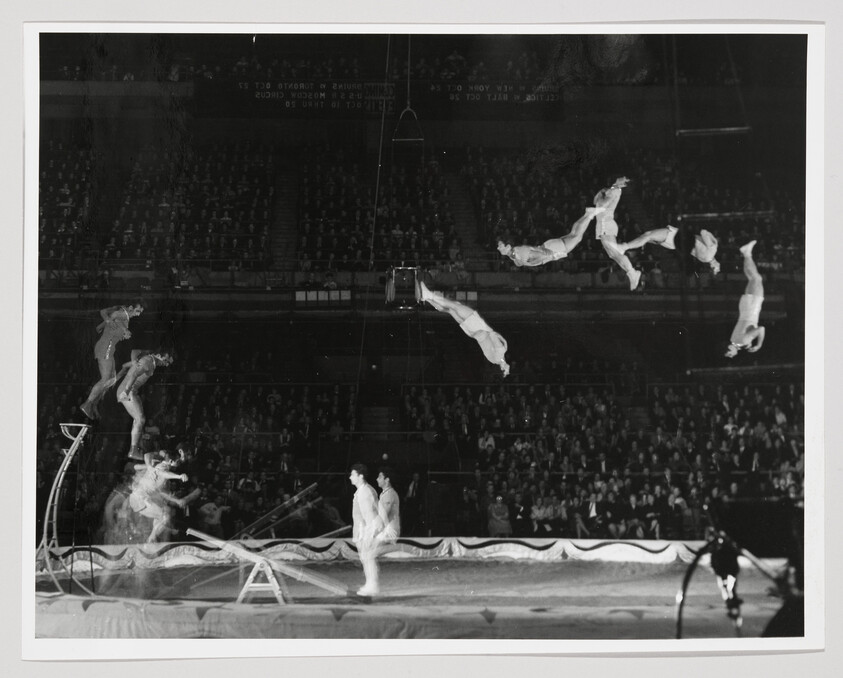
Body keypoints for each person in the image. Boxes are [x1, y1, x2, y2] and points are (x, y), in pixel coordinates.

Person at [417, 280, 511, 377]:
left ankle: (428, 295)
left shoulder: (500, 352)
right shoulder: (494, 359)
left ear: (503, 368)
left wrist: (502, 340)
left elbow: (493, 334)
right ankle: (427, 299)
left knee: (455, 306)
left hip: (477, 326)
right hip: (472, 332)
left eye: (506, 370)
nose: (508, 368)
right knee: (452, 309)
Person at [79, 303, 144, 419]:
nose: (138, 314)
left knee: (112, 379)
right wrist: (123, 330)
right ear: (130, 308)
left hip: (108, 349)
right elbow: (112, 316)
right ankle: (87, 404)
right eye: (137, 311)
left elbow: (102, 325)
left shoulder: (124, 317)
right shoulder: (122, 314)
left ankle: (94, 403)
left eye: (140, 312)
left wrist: (107, 328)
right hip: (105, 349)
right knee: (105, 379)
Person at [497, 206, 605, 267]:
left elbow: (537, 254)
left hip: (551, 249)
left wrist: (553, 256)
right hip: (549, 245)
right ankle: (587, 214)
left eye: (500, 245)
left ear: (508, 245)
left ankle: (591, 214)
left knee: (577, 237)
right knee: (574, 234)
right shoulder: (515, 253)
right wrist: (508, 254)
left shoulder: (519, 252)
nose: (498, 248)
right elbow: (518, 263)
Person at [114, 350, 174, 461]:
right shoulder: (149, 362)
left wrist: (117, 377)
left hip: (128, 390)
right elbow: (135, 374)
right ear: (160, 355)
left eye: (168, 363)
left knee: (138, 420)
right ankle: (133, 450)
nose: (166, 364)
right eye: (166, 361)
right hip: (129, 391)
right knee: (140, 419)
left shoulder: (147, 358)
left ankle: (134, 448)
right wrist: (126, 391)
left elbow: (125, 365)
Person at [127, 450, 189, 543]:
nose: (179, 463)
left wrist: (176, 501)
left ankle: (151, 539)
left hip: (141, 498)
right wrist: (179, 476)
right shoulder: (161, 466)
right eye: (178, 462)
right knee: (165, 517)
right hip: (140, 498)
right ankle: (150, 540)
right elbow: (163, 473)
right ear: (171, 462)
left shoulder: (161, 465)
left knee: (163, 513)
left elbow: (163, 492)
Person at [593, 177, 642, 291]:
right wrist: (602, 192)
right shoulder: (612, 189)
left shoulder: (615, 190)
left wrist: (602, 193)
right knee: (613, 254)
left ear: (624, 184)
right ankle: (632, 272)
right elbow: (595, 201)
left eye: (625, 179)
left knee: (615, 252)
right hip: (602, 224)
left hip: (606, 223)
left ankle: (632, 272)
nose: (622, 177)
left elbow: (601, 204)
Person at [725, 241, 766, 358]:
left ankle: (747, 253)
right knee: (752, 278)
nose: (731, 355)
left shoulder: (741, 342)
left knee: (756, 279)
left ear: (729, 348)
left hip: (751, 308)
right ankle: (746, 253)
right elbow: (745, 335)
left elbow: (761, 329)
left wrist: (759, 345)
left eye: (729, 354)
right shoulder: (733, 340)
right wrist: (748, 343)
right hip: (745, 309)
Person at [349, 463, 383, 596]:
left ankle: (372, 586)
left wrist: (369, 534)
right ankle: (370, 584)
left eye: (353, 474)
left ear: (360, 476)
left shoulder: (365, 492)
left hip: (368, 530)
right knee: (366, 558)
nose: (350, 477)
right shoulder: (362, 491)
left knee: (368, 558)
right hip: (364, 530)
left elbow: (370, 515)